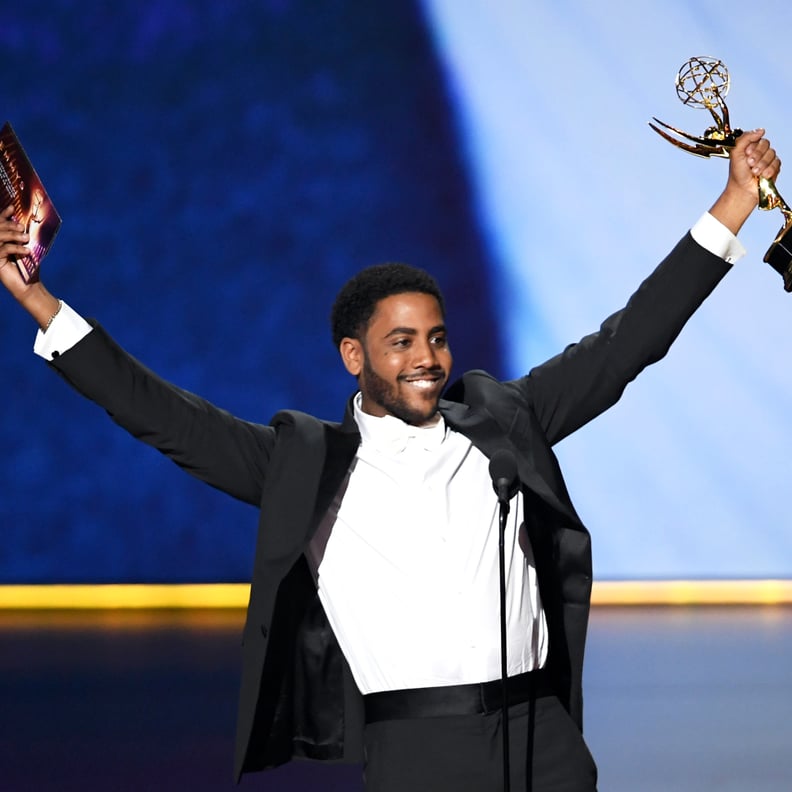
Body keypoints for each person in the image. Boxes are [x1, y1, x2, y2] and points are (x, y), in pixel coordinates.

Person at [0, 128, 781, 792]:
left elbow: (629, 342)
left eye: (437, 337)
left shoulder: (504, 424)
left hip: (544, 739)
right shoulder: (303, 465)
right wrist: (40, 303)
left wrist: (735, 202)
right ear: (354, 355)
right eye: (400, 341)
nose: (427, 358)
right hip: (418, 750)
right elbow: (159, 413)